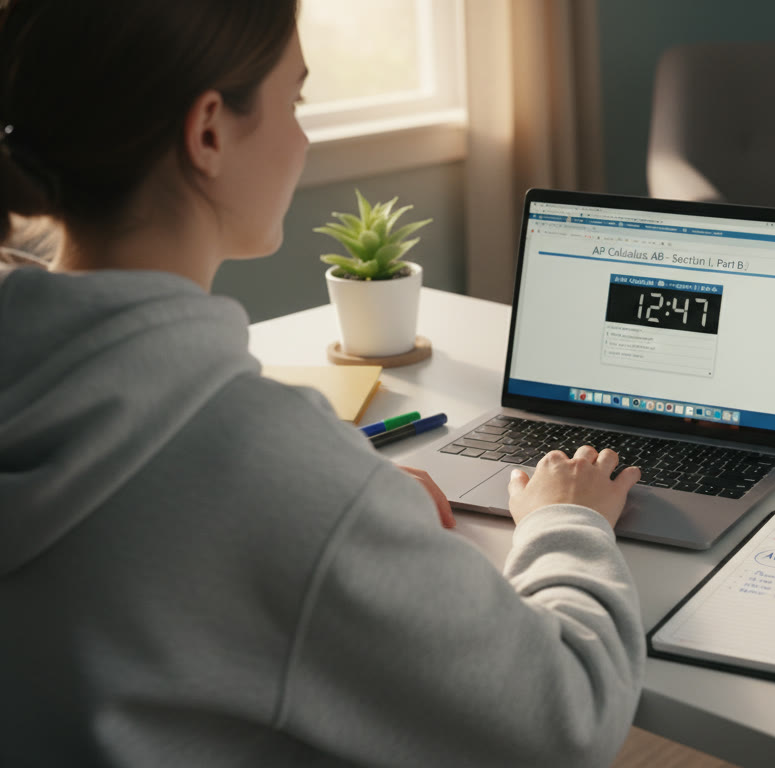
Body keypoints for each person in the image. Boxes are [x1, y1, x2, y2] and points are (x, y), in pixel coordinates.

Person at [0, 2, 645, 766]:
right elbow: (568, 720)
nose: (302, 138)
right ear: (208, 131)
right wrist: (567, 522)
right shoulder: (268, 471)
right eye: (294, 101)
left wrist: (338, 497)